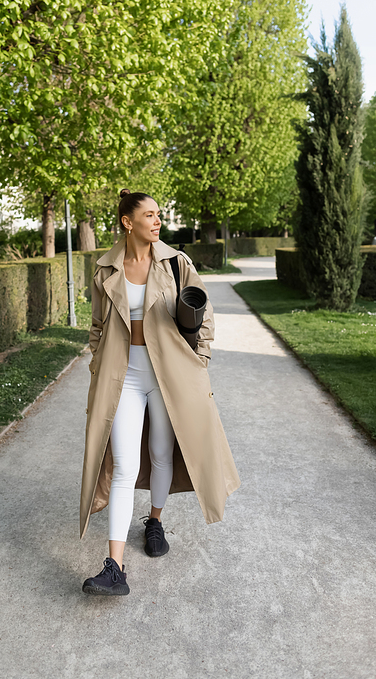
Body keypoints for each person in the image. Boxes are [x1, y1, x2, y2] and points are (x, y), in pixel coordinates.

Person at [80, 190, 240, 596]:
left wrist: (198, 361)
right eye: (148, 215)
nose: (157, 221)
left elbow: (204, 316)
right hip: (124, 377)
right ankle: (114, 567)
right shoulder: (104, 269)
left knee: (162, 454)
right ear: (126, 222)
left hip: (170, 375)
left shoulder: (175, 262)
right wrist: (98, 366)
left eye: (158, 215)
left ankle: (154, 520)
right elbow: (98, 326)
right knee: (123, 468)